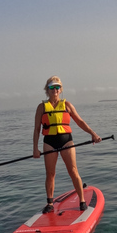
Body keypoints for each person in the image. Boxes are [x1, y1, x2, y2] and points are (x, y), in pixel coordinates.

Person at [33, 76, 101, 213]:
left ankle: (82, 201)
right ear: (47, 90)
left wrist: (93, 134)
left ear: (61, 89)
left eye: (57, 87)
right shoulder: (41, 107)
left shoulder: (67, 105)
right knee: (50, 174)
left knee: (73, 170)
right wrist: (35, 148)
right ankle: (50, 203)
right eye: (52, 87)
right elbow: (36, 129)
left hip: (66, 141)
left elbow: (80, 122)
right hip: (49, 142)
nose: (55, 90)